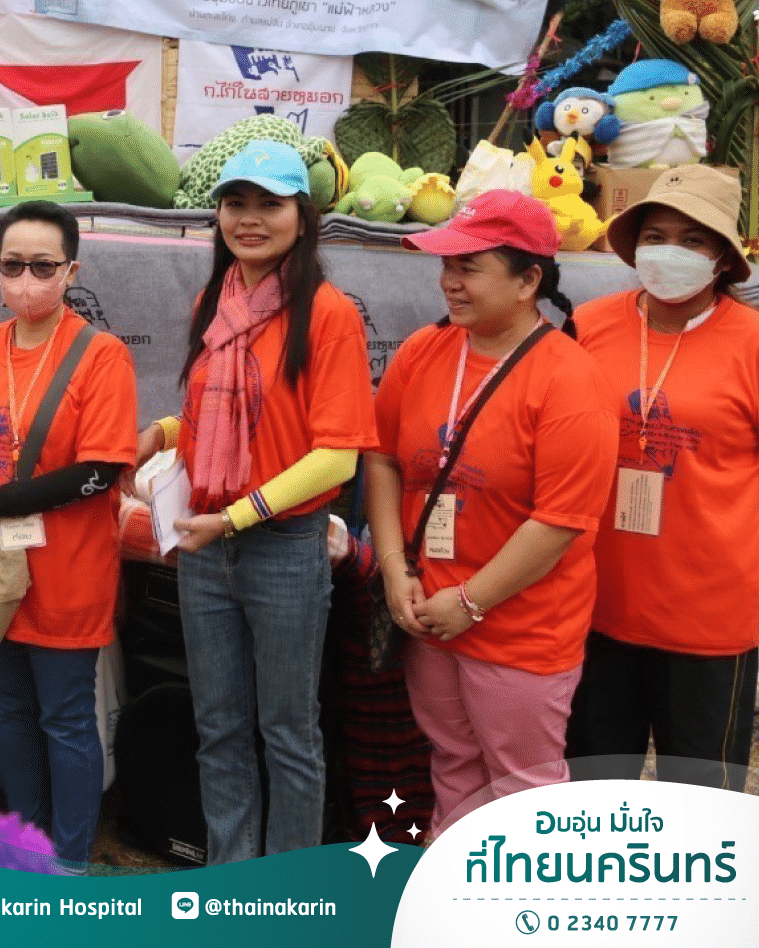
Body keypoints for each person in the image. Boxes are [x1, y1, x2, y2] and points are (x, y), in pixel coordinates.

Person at [132, 139, 376, 864]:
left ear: (302, 215)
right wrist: (162, 433)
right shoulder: (216, 302)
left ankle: (289, 892)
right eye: (236, 202)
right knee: (219, 729)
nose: (250, 218)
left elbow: (336, 454)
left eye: (270, 204)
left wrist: (234, 518)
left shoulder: (328, 313)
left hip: (282, 550)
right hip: (207, 548)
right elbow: (222, 418)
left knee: (288, 734)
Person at [366, 190, 618, 838]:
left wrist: (471, 601)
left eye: (469, 267)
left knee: (523, 786)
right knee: (453, 764)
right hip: (430, 612)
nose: (449, 281)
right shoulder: (425, 350)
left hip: (521, 629)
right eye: (446, 265)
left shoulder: (569, 379)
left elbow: (560, 522)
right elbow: (384, 459)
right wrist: (395, 570)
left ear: (529, 280)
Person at [0, 200, 137, 869]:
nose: (25, 280)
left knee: (65, 718)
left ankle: (69, 861)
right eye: (12, 265)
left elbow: (98, 473)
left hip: (68, 570)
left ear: (72, 270)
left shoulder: (101, 356)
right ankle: (26, 848)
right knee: (11, 714)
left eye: (42, 267)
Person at [566, 164, 759, 789]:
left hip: (710, 620)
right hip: (596, 608)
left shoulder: (753, 342)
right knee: (594, 797)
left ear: (723, 258)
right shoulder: (587, 326)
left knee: (703, 805)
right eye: (656, 235)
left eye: (692, 239)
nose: (670, 251)